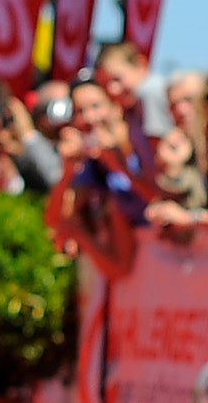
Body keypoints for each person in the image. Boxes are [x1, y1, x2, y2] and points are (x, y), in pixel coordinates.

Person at [42, 77, 142, 281]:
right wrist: (68, 170)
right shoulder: (91, 165)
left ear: (114, 107)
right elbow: (55, 221)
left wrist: (118, 165)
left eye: (96, 106)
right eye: (80, 111)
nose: (89, 118)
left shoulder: (142, 148)